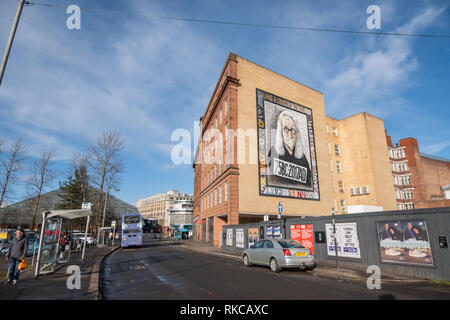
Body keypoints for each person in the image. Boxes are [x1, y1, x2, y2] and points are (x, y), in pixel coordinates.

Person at [268, 111, 312, 187]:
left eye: (292, 130)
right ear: (280, 132)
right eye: (285, 129)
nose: (289, 134)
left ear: (297, 133)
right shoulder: (273, 152)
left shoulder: (303, 158)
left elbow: (309, 184)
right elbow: (272, 181)